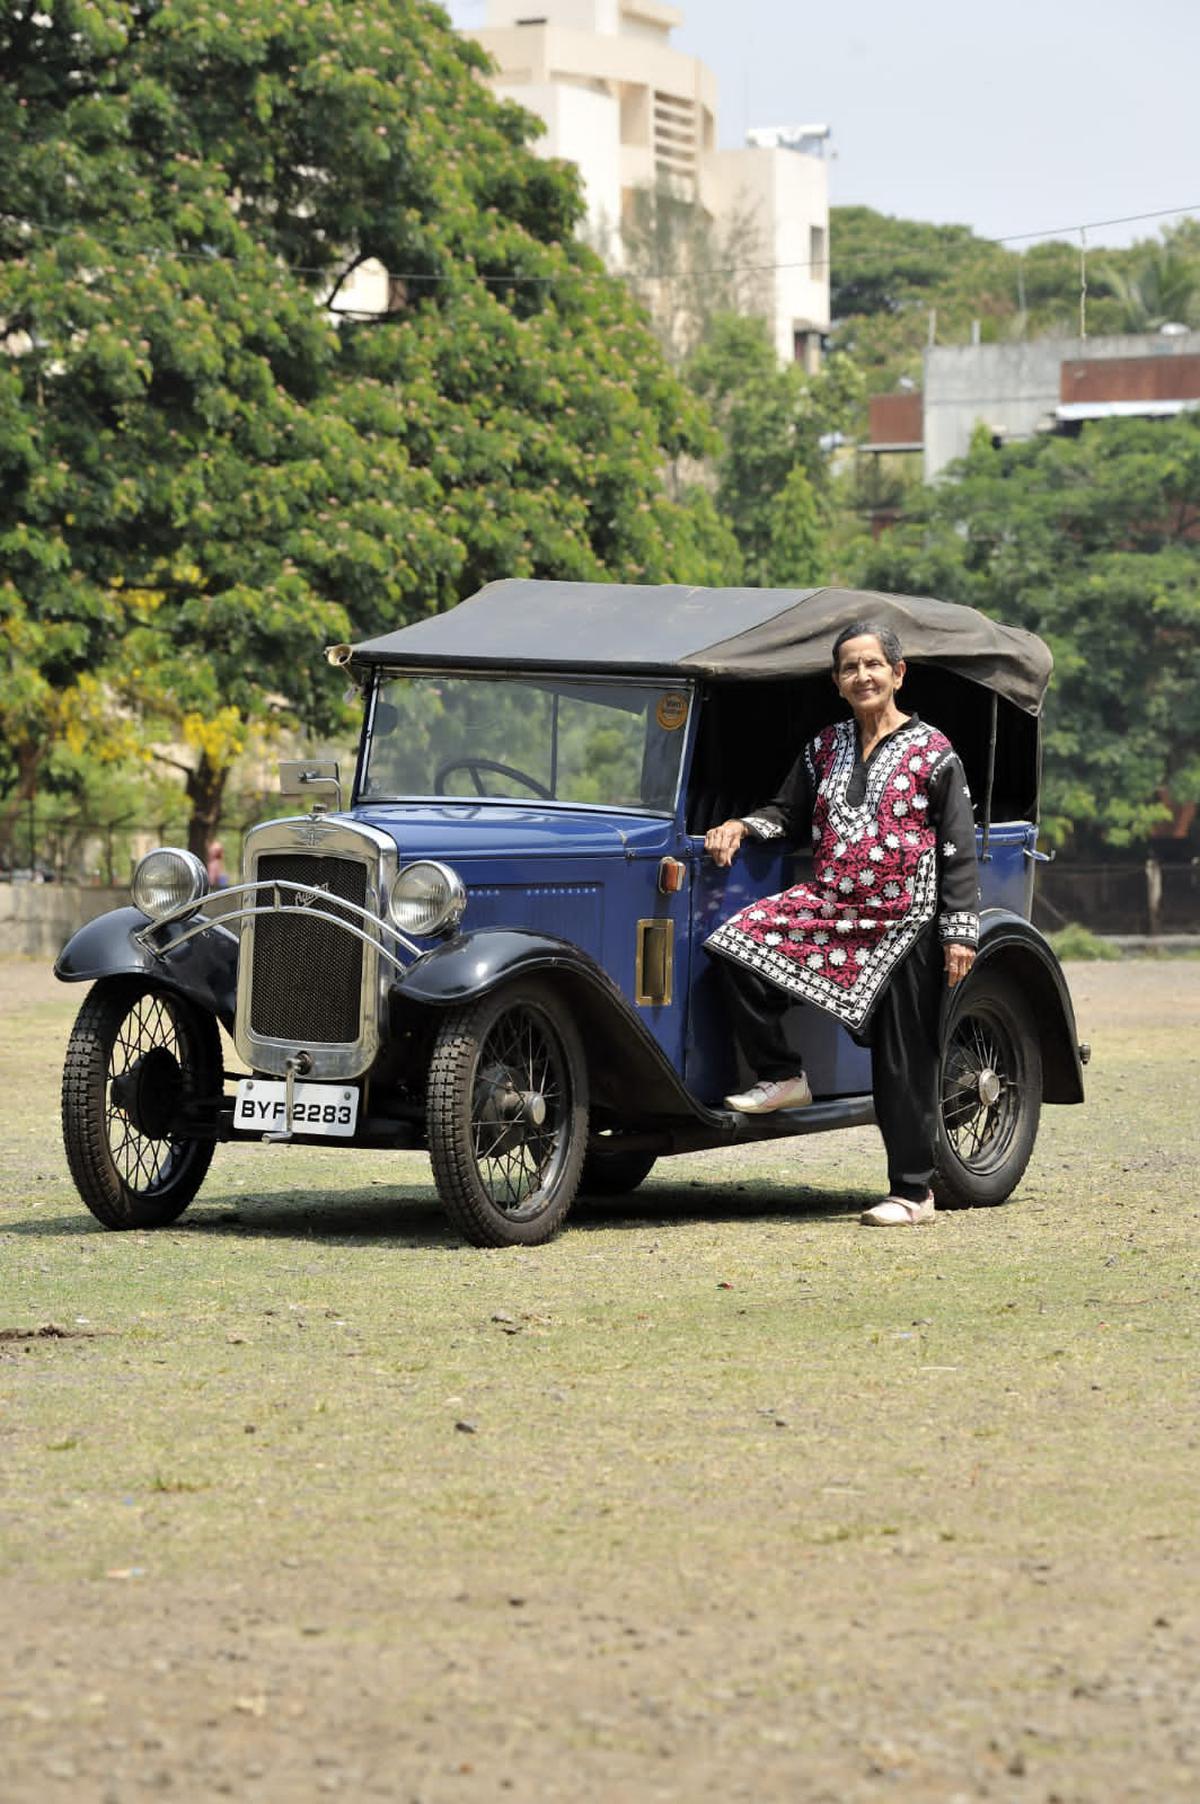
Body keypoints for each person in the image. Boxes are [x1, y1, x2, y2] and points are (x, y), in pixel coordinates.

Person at [703, 622, 979, 1228]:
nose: (863, 676)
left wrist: (959, 929)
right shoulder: (823, 748)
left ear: (898, 674)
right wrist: (743, 827)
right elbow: (787, 812)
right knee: (735, 944)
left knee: (902, 1058)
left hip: (906, 920)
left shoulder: (934, 751)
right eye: (850, 668)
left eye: (873, 665)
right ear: (836, 682)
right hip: (832, 907)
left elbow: (958, 845)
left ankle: (913, 1192)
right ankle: (782, 1075)